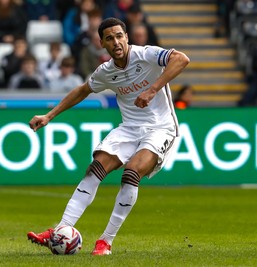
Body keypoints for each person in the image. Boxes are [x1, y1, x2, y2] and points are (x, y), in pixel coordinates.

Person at [27, 17, 190, 255]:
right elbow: (82, 90)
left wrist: (152, 89)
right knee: (95, 169)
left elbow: (182, 59)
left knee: (132, 173)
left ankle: (105, 241)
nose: (116, 42)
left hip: (160, 128)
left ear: (127, 37)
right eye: (109, 38)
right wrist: (49, 116)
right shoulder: (106, 71)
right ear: (102, 43)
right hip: (129, 128)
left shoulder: (146, 54)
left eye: (119, 36)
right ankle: (61, 229)